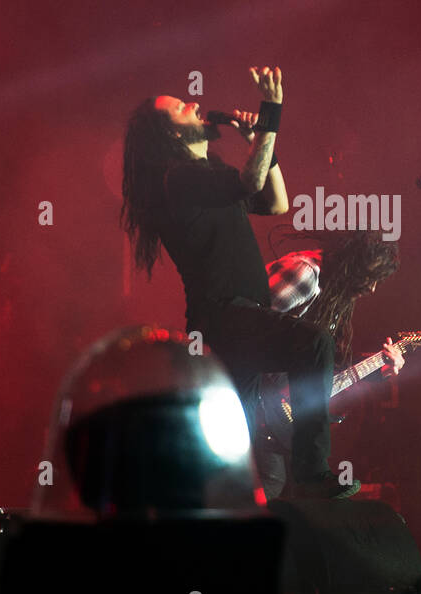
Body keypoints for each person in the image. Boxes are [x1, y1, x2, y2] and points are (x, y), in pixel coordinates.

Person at [120, 66, 359, 499]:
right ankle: (311, 473)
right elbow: (252, 178)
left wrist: (258, 140)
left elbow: (276, 201)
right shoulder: (180, 179)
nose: (193, 104)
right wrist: (271, 114)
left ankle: (214, 511)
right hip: (225, 315)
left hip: (238, 316)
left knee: (249, 452)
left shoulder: (207, 172)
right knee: (314, 344)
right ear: (170, 135)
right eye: (179, 107)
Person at [255, 230, 404, 497]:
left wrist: (379, 369)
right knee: (265, 494)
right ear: (352, 265)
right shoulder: (306, 275)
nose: (371, 289)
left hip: (276, 418)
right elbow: (244, 329)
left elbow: (316, 366)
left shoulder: (334, 295)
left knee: (286, 506)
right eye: (370, 279)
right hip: (251, 404)